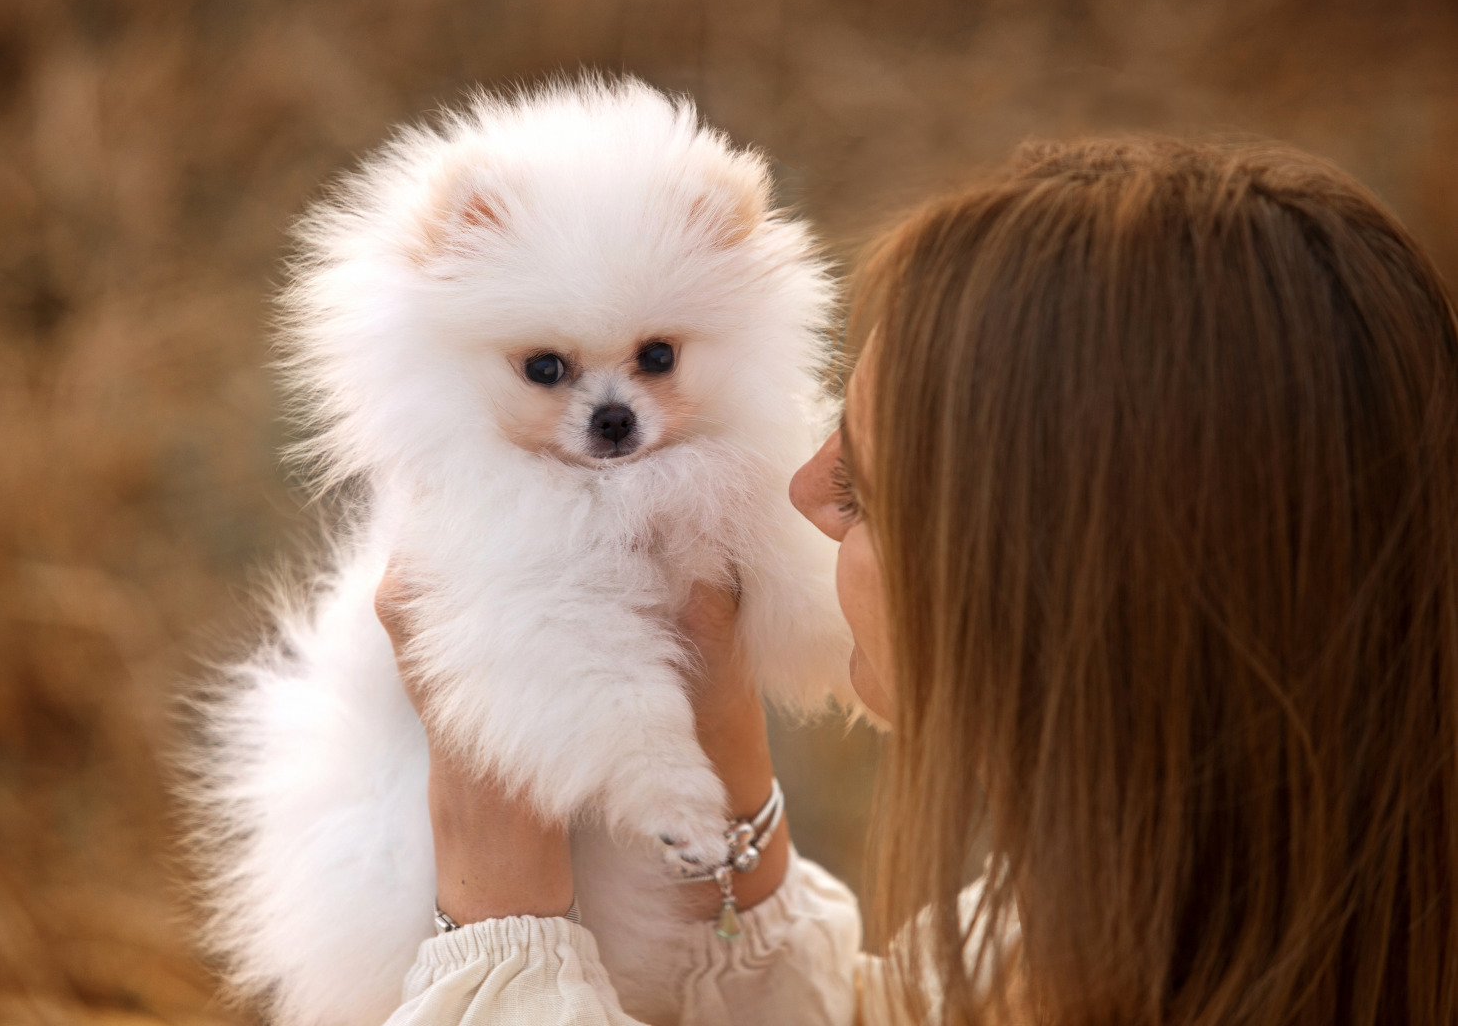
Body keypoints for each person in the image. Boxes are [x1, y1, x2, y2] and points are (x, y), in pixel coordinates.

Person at [376, 138, 1458, 1025]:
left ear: (1066, 586)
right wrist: (730, 782)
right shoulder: (1130, 922)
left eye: (872, 491)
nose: (804, 492)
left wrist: (500, 918)